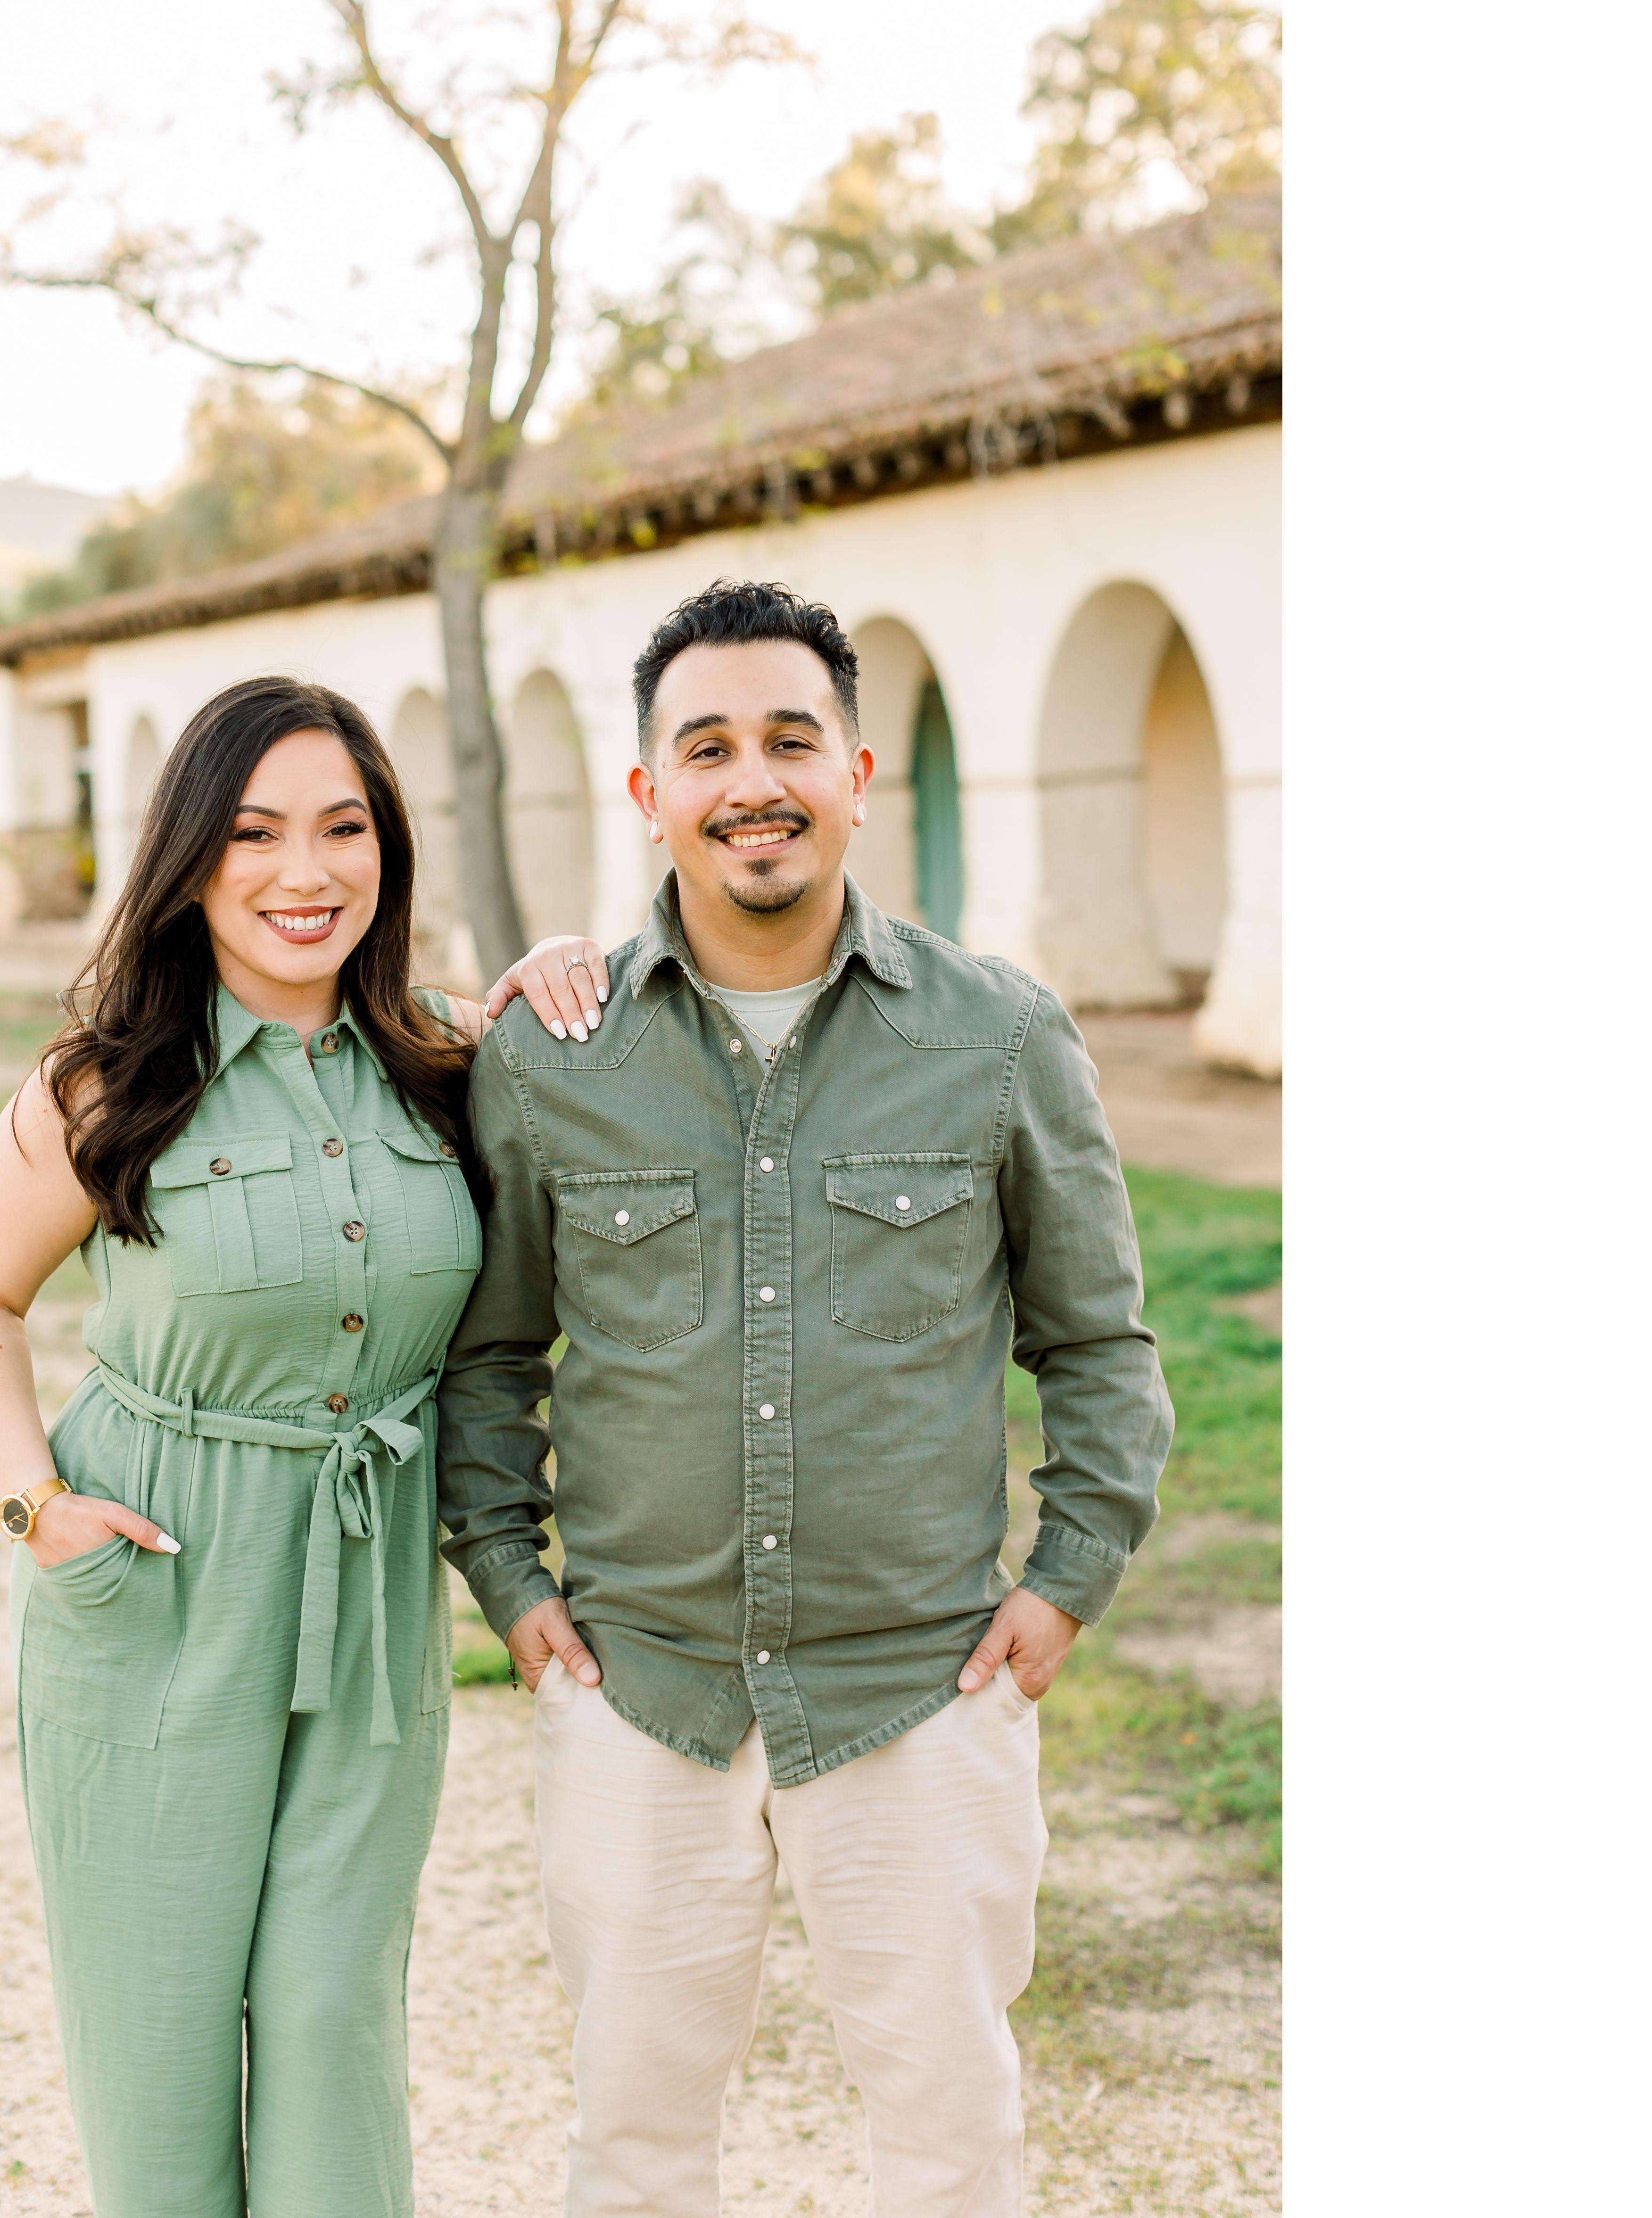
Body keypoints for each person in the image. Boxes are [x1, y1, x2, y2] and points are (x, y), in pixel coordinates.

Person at [438, 579, 1174, 2218]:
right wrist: (505, 1574)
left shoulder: (998, 1036)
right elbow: (488, 1352)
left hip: (919, 1689)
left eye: (791, 738)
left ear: (855, 771)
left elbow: (1100, 1343)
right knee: (633, 2144)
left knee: (949, 2141)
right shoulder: (552, 1051)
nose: (751, 780)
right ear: (649, 793)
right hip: (639, 1688)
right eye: (706, 748)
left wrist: (1066, 1578)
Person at [0, 673, 602, 2218]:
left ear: (387, 849)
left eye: (342, 828)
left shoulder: (453, 1058)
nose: (306, 872)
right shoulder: (105, 1082)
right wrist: (37, 1505)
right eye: (253, 833)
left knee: (327, 2012)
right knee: (157, 2033)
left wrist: (568, 966)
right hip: (153, 1583)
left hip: (366, 1591)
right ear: (189, 860)